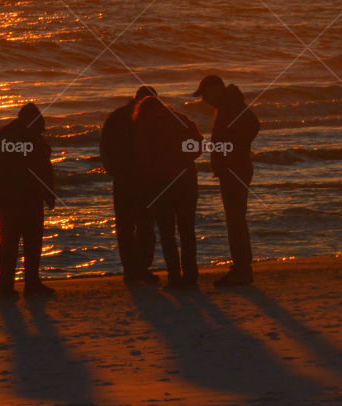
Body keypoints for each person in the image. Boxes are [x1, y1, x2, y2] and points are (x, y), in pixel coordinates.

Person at [0, 101, 56, 298]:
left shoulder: (0, 136)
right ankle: (28, 284)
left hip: (8, 197)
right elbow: (44, 169)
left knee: (10, 242)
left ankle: (8, 287)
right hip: (23, 197)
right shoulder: (32, 139)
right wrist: (49, 194)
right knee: (27, 241)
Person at [193, 73, 260, 287]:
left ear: (215, 89)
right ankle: (241, 267)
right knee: (236, 220)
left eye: (204, 94)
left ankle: (242, 270)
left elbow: (253, 125)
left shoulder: (231, 105)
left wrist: (234, 149)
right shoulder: (227, 105)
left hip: (235, 170)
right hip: (233, 168)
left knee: (235, 220)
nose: (203, 99)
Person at [133, 91, 202, 289]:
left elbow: (143, 159)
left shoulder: (145, 126)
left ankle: (174, 276)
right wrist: (182, 159)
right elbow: (198, 145)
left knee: (167, 233)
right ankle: (190, 275)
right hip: (187, 181)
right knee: (187, 231)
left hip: (161, 184)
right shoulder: (181, 120)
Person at [100, 85, 158, 284]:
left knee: (126, 226)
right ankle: (141, 268)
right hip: (142, 179)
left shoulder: (116, 116)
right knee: (144, 224)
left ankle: (130, 270)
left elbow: (104, 148)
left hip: (124, 179)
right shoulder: (152, 118)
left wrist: (114, 172)